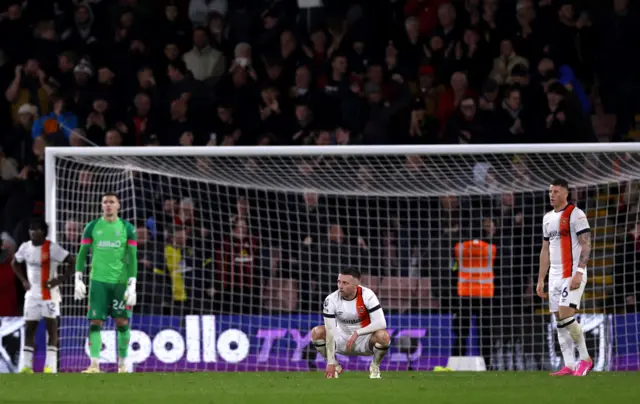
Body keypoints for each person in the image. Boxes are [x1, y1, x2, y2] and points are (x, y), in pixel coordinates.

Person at [74, 192, 138, 373]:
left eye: (111, 202)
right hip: (98, 282)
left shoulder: (128, 228)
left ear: (118, 205)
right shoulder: (92, 227)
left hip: (120, 282)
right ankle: (94, 365)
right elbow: (82, 253)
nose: (108, 205)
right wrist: (78, 278)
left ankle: (123, 365)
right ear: (101, 206)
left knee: (122, 321)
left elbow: (133, 257)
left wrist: (132, 284)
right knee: (95, 321)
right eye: (105, 202)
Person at [537, 178, 593, 376]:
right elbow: (545, 249)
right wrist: (541, 279)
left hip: (571, 273)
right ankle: (569, 364)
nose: (552, 195)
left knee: (566, 315)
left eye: (556, 191)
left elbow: (586, 244)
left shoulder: (576, 214)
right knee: (558, 320)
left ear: (566, 193)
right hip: (553, 275)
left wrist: (579, 272)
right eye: (550, 191)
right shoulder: (547, 218)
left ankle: (585, 359)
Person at [12, 217, 75, 373]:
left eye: (37, 229)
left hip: (50, 295)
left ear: (43, 232)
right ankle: (26, 367)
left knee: (51, 330)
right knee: (29, 329)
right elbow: (14, 262)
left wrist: (59, 280)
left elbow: (72, 261)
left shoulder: (52, 248)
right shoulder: (25, 247)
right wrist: (23, 281)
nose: (33, 232)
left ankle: (50, 367)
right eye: (31, 229)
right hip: (32, 296)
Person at [310, 268, 391, 379]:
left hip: (365, 340)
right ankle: (336, 366)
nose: (340, 286)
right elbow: (330, 331)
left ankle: (375, 366)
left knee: (384, 337)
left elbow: (381, 323)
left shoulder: (367, 295)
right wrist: (330, 362)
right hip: (341, 339)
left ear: (356, 284)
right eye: (339, 282)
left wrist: (358, 332)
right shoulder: (331, 299)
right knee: (316, 332)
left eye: (345, 283)